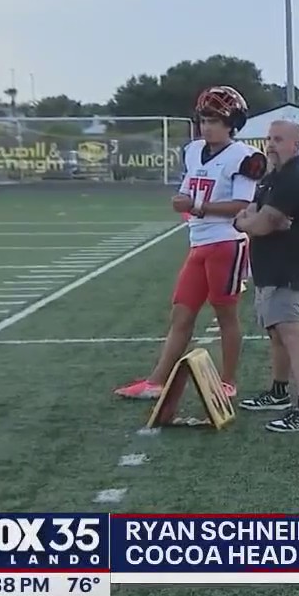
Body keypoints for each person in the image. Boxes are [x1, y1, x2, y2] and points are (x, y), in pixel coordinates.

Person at [116, 86, 264, 401]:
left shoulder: (245, 157)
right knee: (181, 315)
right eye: (204, 120)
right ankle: (157, 381)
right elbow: (188, 189)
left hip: (226, 242)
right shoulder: (194, 150)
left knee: (226, 316)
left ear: (232, 124)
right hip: (198, 242)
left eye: (215, 121)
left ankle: (228, 381)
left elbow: (241, 205)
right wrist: (183, 200)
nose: (206, 127)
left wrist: (197, 206)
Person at [235, 120, 299, 432]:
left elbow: (258, 223)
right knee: (277, 333)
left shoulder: (294, 178)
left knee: (292, 334)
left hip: (288, 267)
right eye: (269, 138)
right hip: (270, 267)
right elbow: (252, 213)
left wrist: (250, 222)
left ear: (297, 144)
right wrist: (256, 219)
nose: (270, 144)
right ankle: (278, 391)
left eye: (278, 139)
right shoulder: (274, 177)